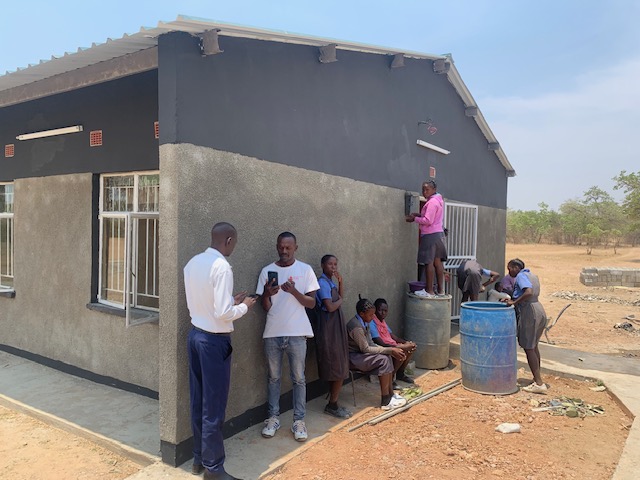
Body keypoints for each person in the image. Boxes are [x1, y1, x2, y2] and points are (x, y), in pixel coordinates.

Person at [184, 222, 257, 480]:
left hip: (195, 336)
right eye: (234, 242)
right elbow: (224, 313)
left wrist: (231, 302)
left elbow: (207, 303)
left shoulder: (192, 263)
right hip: (214, 342)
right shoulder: (222, 267)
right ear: (228, 240)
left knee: (198, 400)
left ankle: (198, 459)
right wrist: (245, 306)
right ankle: (214, 469)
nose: (234, 247)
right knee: (213, 406)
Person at [256, 232, 319, 442]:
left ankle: (299, 421)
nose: (284, 251)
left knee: (299, 379)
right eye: (281, 247)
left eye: (288, 248)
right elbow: (265, 307)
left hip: (297, 334)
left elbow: (312, 303)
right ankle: (273, 418)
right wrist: (267, 294)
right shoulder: (267, 271)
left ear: (295, 248)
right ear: (277, 247)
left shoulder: (305, 269)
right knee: (273, 378)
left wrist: (293, 292)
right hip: (273, 332)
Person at [346, 297, 408, 410]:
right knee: (383, 360)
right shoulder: (356, 327)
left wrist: (388, 350)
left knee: (387, 356)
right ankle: (385, 401)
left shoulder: (365, 322)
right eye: (370, 315)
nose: (372, 317)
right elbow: (365, 348)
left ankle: (390, 394)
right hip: (352, 357)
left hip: (360, 354)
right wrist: (388, 349)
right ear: (361, 314)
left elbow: (371, 343)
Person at [311, 255, 352, 418]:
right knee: (336, 364)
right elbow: (329, 306)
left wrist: (341, 283)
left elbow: (339, 299)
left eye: (335, 264)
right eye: (330, 264)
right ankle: (332, 404)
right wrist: (340, 301)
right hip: (328, 330)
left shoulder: (331, 283)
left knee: (339, 362)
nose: (333, 267)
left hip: (335, 328)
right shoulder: (321, 283)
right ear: (322, 265)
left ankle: (333, 401)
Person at [501, 258, 548, 394]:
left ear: (516, 267)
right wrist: (512, 299)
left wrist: (514, 302)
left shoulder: (521, 276)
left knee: (528, 347)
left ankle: (539, 383)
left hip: (529, 312)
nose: (509, 272)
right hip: (539, 310)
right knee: (534, 346)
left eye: (510, 269)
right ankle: (536, 378)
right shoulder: (531, 275)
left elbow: (528, 292)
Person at [405, 180, 448, 297]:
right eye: (423, 189)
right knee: (437, 262)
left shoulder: (432, 203)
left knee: (428, 262)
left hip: (430, 235)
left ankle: (429, 290)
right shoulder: (438, 200)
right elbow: (431, 217)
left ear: (434, 190)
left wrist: (414, 219)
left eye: (427, 189)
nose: (424, 192)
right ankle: (440, 290)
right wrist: (418, 215)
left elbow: (428, 221)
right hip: (438, 234)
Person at [369, 298, 417, 384]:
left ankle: (400, 373)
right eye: (380, 310)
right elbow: (380, 343)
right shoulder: (372, 322)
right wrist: (403, 346)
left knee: (410, 349)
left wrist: (407, 343)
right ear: (375, 309)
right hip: (381, 348)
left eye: (385, 311)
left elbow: (394, 337)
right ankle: (390, 378)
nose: (383, 313)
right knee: (402, 351)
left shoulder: (382, 322)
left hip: (390, 345)